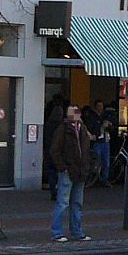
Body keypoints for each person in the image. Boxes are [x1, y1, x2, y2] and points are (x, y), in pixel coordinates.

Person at [50, 105, 92, 242]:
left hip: (80, 171)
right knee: (63, 202)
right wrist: (63, 168)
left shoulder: (83, 129)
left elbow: (86, 151)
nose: (76, 115)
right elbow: (54, 151)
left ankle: (77, 231)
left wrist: (86, 167)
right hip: (69, 171)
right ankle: (57, 232)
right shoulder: (63, 129)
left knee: (77, 203)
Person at [42, 95, 66, 200]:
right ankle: (60, 191)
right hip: (59, 153)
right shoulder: (62, 126)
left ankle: (53, 191)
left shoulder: (48, 125)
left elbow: (45, 138)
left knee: (52, 172)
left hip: (49, 151)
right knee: (60, 173)